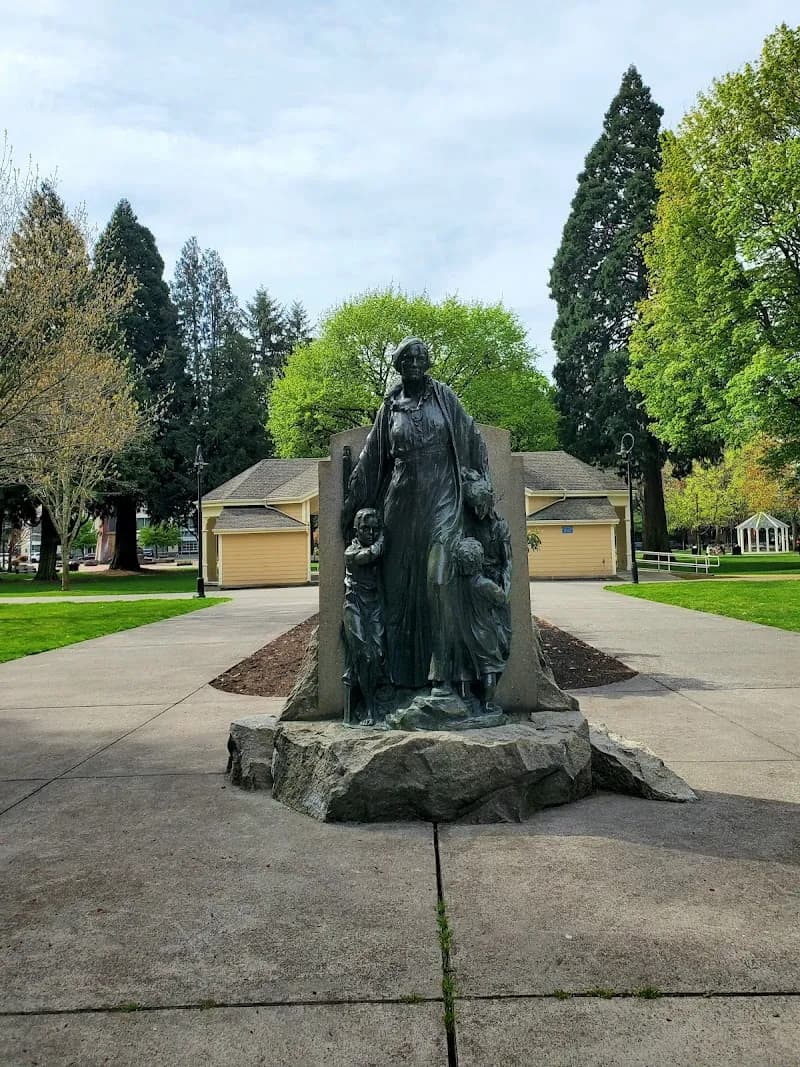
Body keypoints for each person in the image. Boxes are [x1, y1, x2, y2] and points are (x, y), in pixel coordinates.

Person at [342, 337, 491, 693]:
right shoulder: (390, 406)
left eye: (419, 358)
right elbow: (373, 460)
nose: (413, 363)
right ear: (398, 364)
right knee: (398, 588)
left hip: (442, 499)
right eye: (406, 358)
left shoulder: (444, 398)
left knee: (438, 581)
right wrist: (350, 505)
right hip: (401, 504)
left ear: (427, 363)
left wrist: (480, 483)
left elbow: (472, 439)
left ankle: (444, 677)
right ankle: (395, 679)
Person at [452, 538, 508, 711]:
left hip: (462, 631)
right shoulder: (485, 585)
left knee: (464, 668)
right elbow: (502, 599)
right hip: (484, 632)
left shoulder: (457, 585)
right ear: (479, 560)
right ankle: (488, 703)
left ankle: (465, 698)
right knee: (489, 668)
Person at [342, 508, 386, 725]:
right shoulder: (351, 552)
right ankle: (369, 709)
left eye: (375, 528)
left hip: (375, 606)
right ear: (356, 530)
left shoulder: (378, 547)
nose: (371, 532)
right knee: (364, 656)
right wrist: (382, 539)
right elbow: (368, 556)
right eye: (366, 528)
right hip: (355, 606)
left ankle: (373, 704)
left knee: (377, 655)